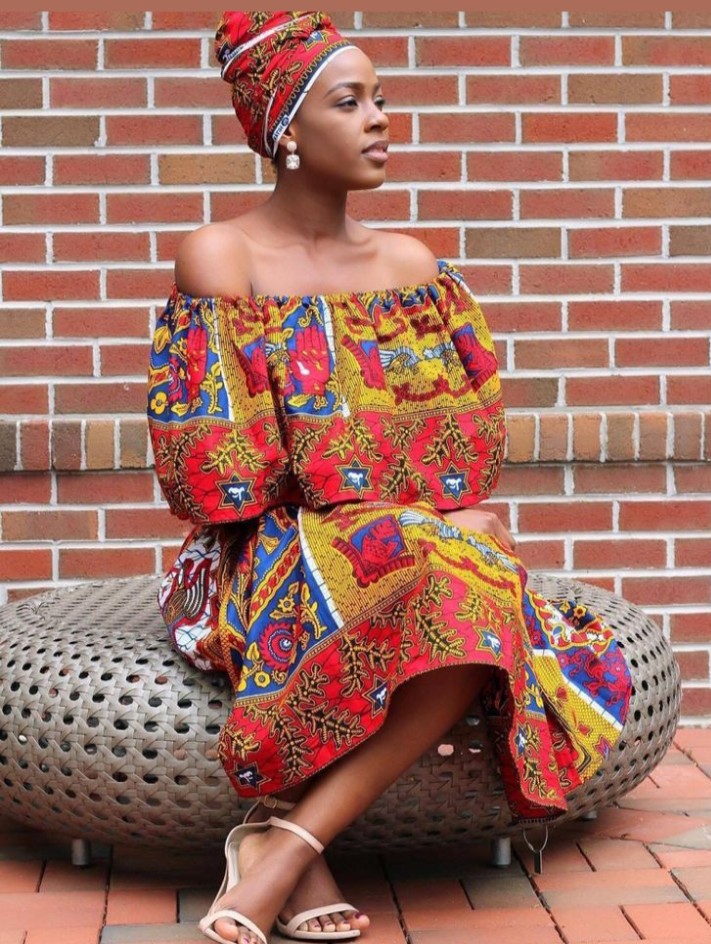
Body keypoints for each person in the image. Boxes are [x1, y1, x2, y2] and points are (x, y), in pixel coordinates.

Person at [146, 12, 632, 944]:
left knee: (470, 579)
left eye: (381, 99)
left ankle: (280, 845)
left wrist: (437, 522)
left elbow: (456, 456)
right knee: (455, 573)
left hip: (411, 548)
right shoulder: (222, 257)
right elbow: (224, 470)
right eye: (349, 101)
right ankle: (287, 853)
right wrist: (405, 521)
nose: (379, 119)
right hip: (259, 545)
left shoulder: (412, 266)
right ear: (284, 126)